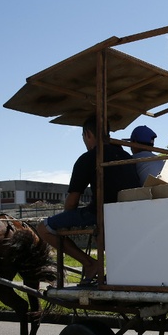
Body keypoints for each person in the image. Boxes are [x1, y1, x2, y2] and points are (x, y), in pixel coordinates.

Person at [37, 116, 140, 284]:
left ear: (88, 134)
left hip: (99, 212)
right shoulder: (126, 155)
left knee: (44, 228)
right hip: (126, 211)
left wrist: (66, 221)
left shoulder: (88, 158)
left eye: (83, 137)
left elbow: (72, 201)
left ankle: (90, 263)